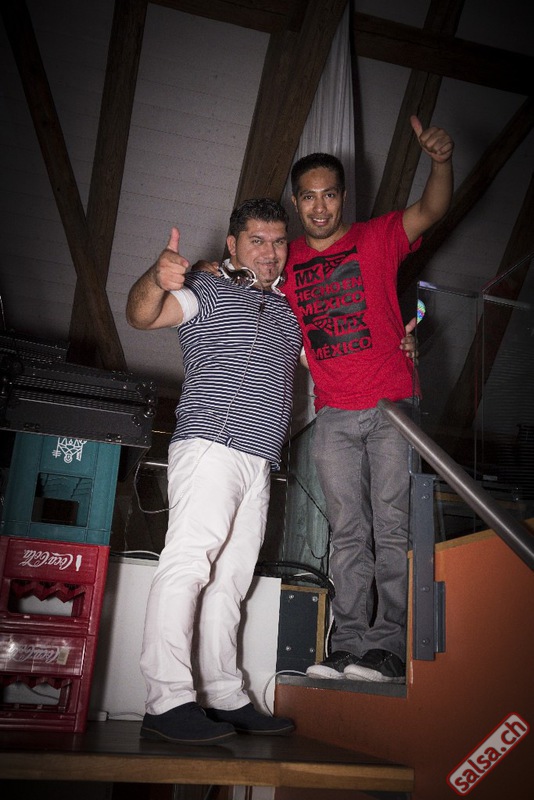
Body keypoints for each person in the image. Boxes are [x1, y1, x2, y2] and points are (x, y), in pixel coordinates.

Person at [280, 115, 454, 683]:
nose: (320, 206)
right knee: (347, 533)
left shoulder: (377, 236)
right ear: (296, 203)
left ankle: (388, 647)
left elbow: (431, 209)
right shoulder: (285, 262)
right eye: (309, 197)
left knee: (392, 528)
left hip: (391, 407)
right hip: (332, 414)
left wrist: (440, 162)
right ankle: (348, 644)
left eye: (330, 194)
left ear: (343, 198)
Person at [125, 198, 303, 744]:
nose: (269, 252)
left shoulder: (290, 311)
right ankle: (166, 700)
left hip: (261, 459)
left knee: (231, 582)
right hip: (210, 445)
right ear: (233, 244)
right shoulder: (206, 289)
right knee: (188, 566)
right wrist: (155, 277)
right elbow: (142, 315)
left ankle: (224, 695)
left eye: (278, 241)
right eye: (257, 240)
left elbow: (337, 360)